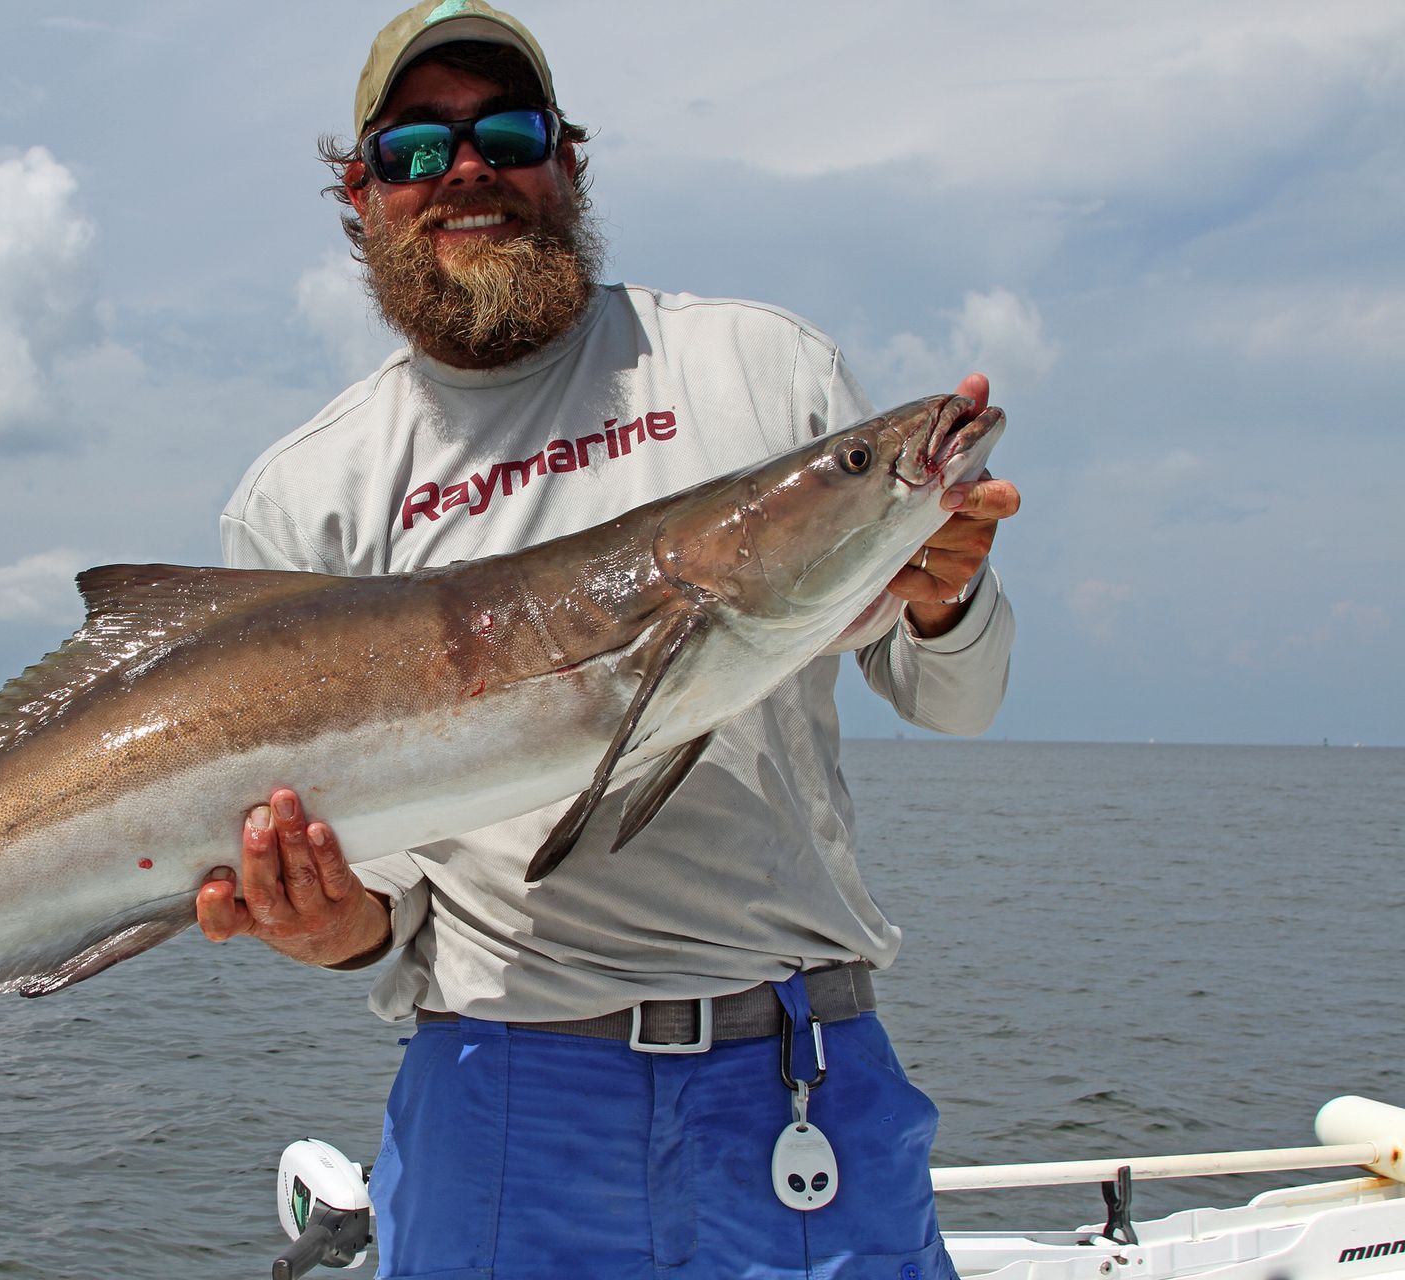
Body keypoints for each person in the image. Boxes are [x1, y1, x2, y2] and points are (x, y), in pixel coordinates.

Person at [197, 3, 1021, 1276]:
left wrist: (942, 593)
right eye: (417, 149)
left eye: (507, 132)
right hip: (505, 1089)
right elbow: (384, 894)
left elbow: (956, 700)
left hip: (804, 1071)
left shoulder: (760, 366)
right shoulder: (308, 496)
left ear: (567, 161)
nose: (466, 170)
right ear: (360, 194)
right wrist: (335, 924)